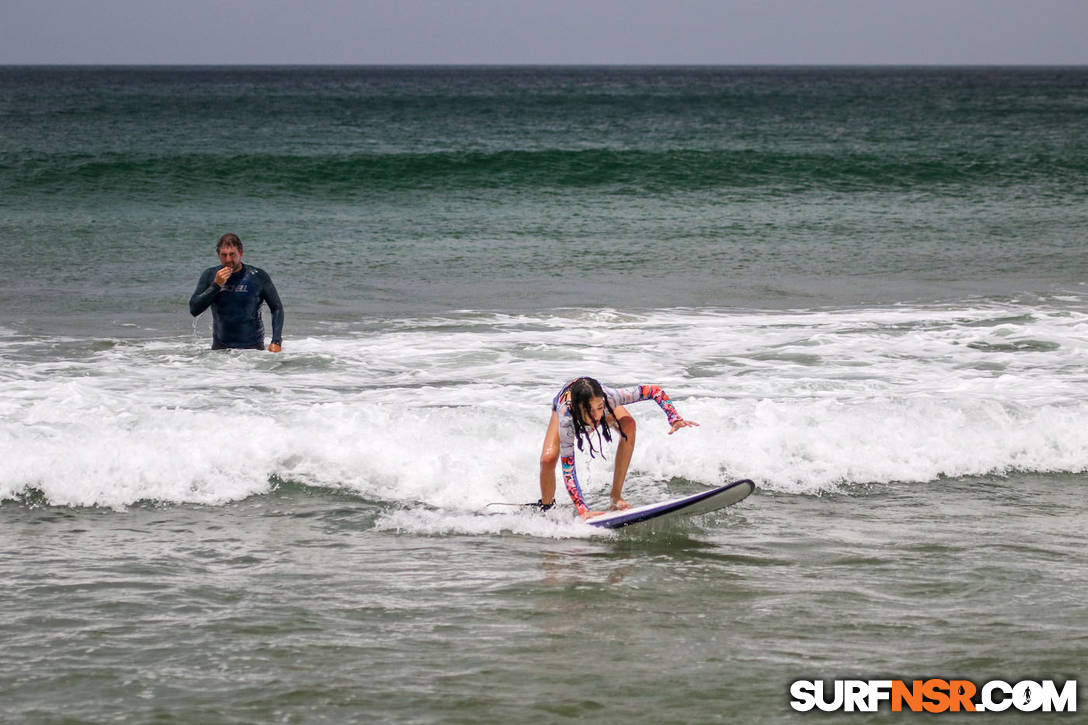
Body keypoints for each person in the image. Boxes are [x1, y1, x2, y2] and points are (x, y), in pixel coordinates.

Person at [538, 377, 699, 519]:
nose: (596, 416)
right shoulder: (567, 418)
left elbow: (654, 391)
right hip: (564, 404)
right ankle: (546, 508)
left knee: (628, 424)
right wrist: (582, 509)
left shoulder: (612, 397)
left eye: (600, 408)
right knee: (548, 459)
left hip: (596, 397)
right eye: (590, 410)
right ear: (579, 408)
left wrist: (674, 418)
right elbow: (568, 468)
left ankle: (616, 497)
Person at [189, 233, 284, 351]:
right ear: (218, 255)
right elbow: (194, 309)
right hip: (220, 352)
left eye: (232, 254)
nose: (228, 259)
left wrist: (276, 341)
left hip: (253, 351)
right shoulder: (210, 275)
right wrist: (216, 285)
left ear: (241, 253)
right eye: (224, 255)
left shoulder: (257, 276)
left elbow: (276, 308)